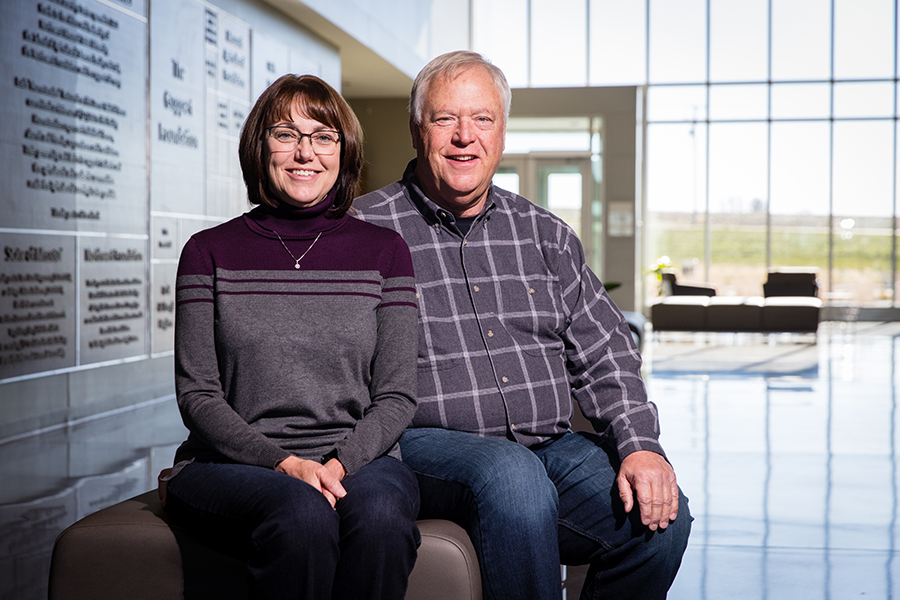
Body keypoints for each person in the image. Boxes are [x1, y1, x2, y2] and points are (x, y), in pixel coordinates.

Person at [353, 51, 691, 600]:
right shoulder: (364, 233)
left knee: (662, 520)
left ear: (502, 132)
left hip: (548, 447)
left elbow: (607, 354)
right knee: (512, 475)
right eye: (446, 119)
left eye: (482, 119)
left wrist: (640, 447)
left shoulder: (545, 234)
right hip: (420, 447)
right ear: (418, 131)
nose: (466, 136)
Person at [162, 74, 420, 600]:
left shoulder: (384, 251)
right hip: (230, 464)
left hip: (359, 460)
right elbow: (198, 395)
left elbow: (397, 395)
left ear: (344, 153)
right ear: (261, 146)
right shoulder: (207, 252)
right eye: (286, 134)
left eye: (323, 136)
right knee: (301, 514)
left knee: (380, 517)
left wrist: (338, 464)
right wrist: (283, 464)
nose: (305, 152)